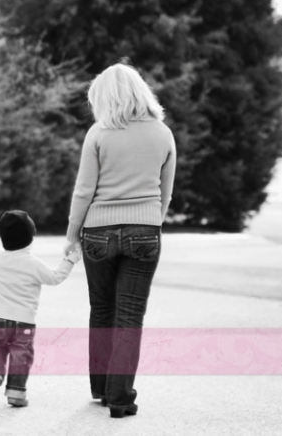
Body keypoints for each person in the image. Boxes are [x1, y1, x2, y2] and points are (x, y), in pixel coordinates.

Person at [65, 61, 176, 418]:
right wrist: (149, 225)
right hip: (145, 232)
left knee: (101, 310)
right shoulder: (163, 133)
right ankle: (121, 397)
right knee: (130, 315)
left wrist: (72, 233)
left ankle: (100, 387)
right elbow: (166, 193)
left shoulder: (99, 133)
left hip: (98, 233)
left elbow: (84, 191)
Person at [0, 210, 80, 407]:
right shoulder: (33, 264)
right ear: (31, 237)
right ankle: (16, 393)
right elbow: (55, 278)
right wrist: (69, 260)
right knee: (21, 352)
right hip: (25, 320)